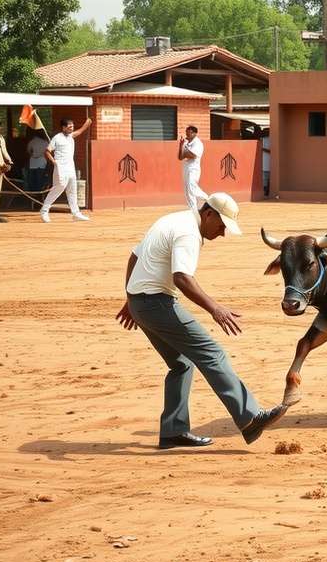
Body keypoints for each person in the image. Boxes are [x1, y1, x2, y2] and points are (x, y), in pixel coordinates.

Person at [116, 192, 287, 448]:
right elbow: (182, 278)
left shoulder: (173, 220)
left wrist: (131, 297)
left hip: (142, 304)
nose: (222, 232)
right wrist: (215, 309)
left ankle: (173, 431)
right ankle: (250, 418)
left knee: (181, 363)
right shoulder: (188, 233)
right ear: (208, 214)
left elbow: (134, 257)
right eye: (221, 225)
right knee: (212, 353)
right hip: (157, 303)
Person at [41, 117, 92, 222]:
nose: (71, 128)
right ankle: (44, 210)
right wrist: (54, 161)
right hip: (60, 168)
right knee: (58, 189)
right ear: (63, 127)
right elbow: (47, 151)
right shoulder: (57, 138)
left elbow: (80, 131)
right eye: (69, 127)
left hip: (70, 168)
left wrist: (86, 124)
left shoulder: (70, 137)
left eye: (72, 126)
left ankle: (76, 213)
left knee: (72, 191)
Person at [178, 125, 207, 212]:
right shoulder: (186, 143)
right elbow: (180, 157)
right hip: (186, 168)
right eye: (186, 132)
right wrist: (181, 145)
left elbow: (193, 155)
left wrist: (185, 153)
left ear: (194, 133)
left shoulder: (198, 143)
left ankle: (208, 199)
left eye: (189, 132)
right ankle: (193, 210)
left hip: (194, 169)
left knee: (192, 187)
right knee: (187, 191)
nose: (187, 134)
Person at [261, 128, 271, 197]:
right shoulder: (262, 139)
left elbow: (272, 150)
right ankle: (265, 192)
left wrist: (262, 149)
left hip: (269, 163)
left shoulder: (271, 139)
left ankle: (267, 192)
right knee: (265, 179)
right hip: (264, 163)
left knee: (268, 179)